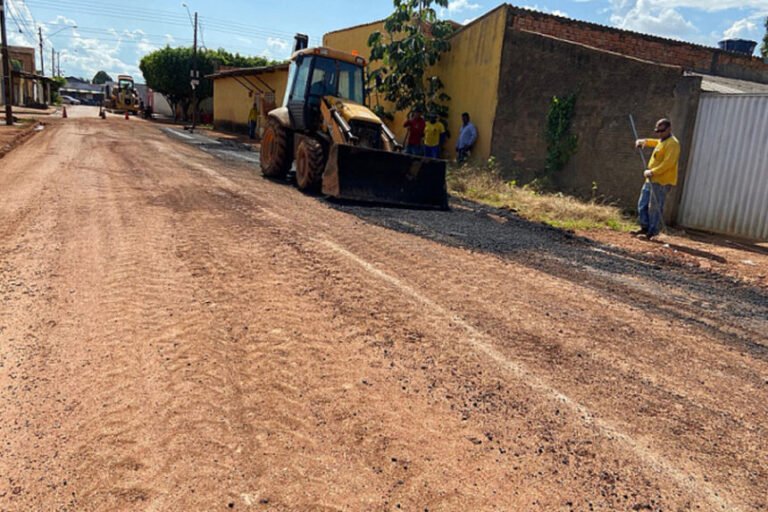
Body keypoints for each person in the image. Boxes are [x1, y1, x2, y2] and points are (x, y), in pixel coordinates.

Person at [633, 118, 680, 240]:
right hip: (651, 179)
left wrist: (652, 171)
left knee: (654, 207)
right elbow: (656, 143)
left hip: (661, 181)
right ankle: (644, 227)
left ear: (669, 129)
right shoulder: (662, 140)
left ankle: (652, 232)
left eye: (661, 131)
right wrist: (644, 142)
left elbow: (668, 163)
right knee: (642, 204)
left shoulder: (673, 143)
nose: (659, 133)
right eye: (657, 131)